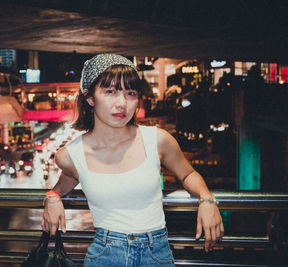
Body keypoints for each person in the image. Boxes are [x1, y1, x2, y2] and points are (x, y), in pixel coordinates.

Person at [41, 54, 223, 266]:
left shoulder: (158, 140)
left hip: (156, 253)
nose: (122, 104)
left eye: (130, 93)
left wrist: (207, 199)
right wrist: (52, 198)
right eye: (110, 92)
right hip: (105, 255)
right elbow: (61, 187)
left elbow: (188, 173)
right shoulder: (71, 155)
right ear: (90, 97)